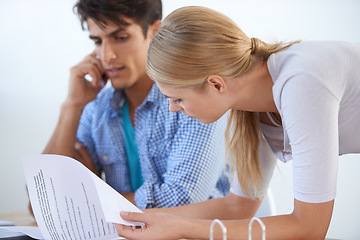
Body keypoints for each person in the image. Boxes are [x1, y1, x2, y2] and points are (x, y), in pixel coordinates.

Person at [114, 6, 360, 239]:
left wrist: (183, 228)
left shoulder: (301, 83)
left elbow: (310, 228)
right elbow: (236, 207)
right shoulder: (252, 104)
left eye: (178, 98)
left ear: (216, 84)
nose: (172, 108)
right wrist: (129, 221)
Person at [38, 1, 230, 211]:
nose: (106, 55)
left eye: (120, 38)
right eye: (97, 41)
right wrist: (72, 106)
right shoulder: (97, 109)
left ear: (155, 31)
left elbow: (182, 200)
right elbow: (46, 200)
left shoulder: (194, 99)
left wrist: (85, 203)